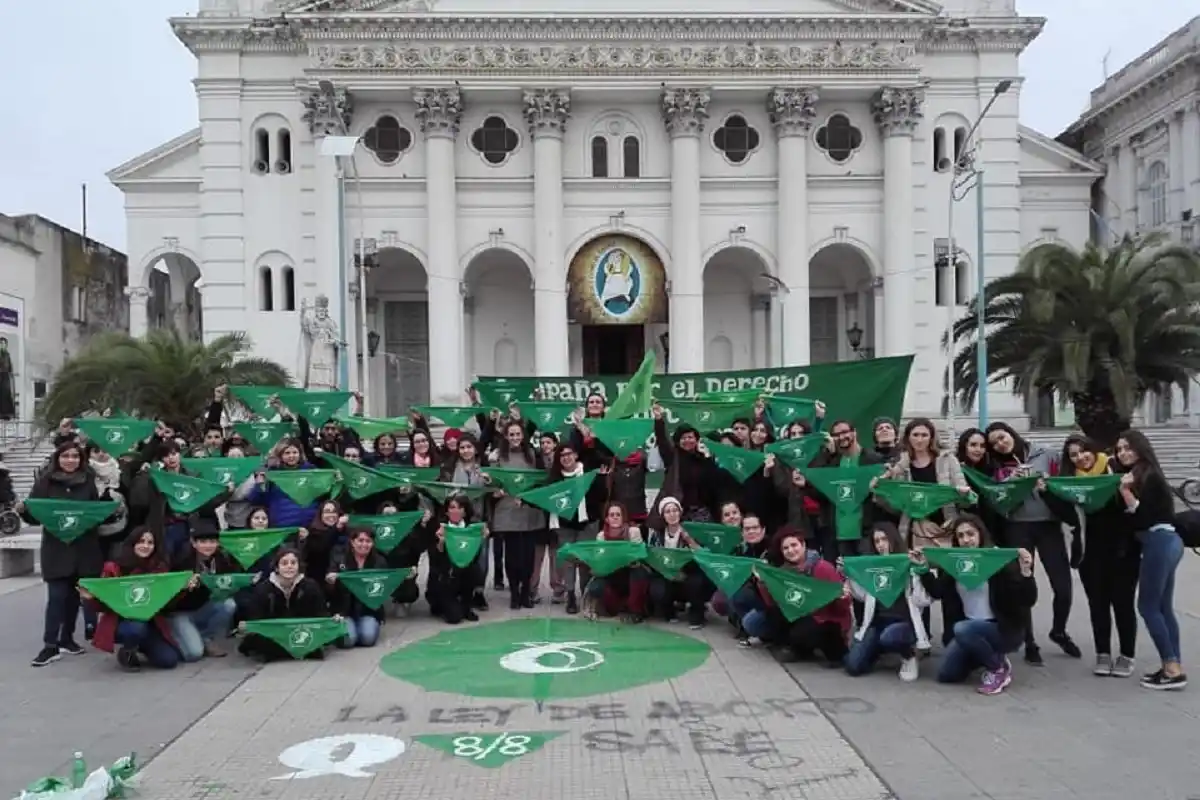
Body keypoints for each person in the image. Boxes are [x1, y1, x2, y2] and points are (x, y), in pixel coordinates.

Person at [984, 421, 1077, 665]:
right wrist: (1011, 482)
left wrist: (1043, 481)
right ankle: (1030, 642)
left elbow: (1064, 481)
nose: (1000, 444)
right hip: (1018, 527)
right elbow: (997, 499)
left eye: (1002, 437)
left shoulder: (1045, 453)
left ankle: (1059, 630)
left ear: (1011, 433)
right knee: (1023, 585)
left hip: (1049, 526)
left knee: (1063, 586)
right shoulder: (998, 467)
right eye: (994, 443)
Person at [915, 514, 1037, 695]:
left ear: (980, 534)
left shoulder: (998, 559)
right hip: (969, 629)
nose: (966, 540)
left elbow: (1028, 600)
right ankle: (984, 655)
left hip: (1001, 629)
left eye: (970, 534)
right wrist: (923, 569)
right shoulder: (955, 562)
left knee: (962, 628)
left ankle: (998, 668)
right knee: (946, 674)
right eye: (961, 536)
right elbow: (937, 592)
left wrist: (1026, 572)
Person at [1050, 435, 1139, 678]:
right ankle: (1102, 653)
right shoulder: (1071, 483)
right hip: (1090, 553)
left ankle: (1127, 655)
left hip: (1124, 551)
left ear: (1094, 449)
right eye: (1073, 455)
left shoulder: (1116, 469)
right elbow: (1067, 516)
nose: (1081, 458)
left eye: (1084, 451)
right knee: (1097, 605)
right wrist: (1047, 492)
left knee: (1122, 604)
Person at [20, 441, 108, 667]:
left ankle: (67, 639)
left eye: (75, 456)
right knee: (57, 597)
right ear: (58, 458)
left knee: (73, 599)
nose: (71, 460)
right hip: (57, 549)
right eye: (66, 456)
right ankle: (50, 645)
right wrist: (24, 511)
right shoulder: (45, 483)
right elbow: (35, 514)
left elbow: (93, 512)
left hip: (84, 549)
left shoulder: (88, 482)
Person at [1115, 429, 1186, 690]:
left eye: (1127, 447)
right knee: (1163, 607)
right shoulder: (1148, 473)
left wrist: (1125, 491)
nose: (1122, 453)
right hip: (1169, 542)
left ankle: (1172, 669)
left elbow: (1144, 517)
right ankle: (1172, 665)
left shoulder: (1146, 475)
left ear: (1140, 448)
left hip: (1159, 541)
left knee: (1147, 606)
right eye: (1119, 449)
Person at [743, 527, 852, 667]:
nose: (790, 551)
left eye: (794, 545)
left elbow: (842, 609)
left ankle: (809, 647)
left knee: (804, 632)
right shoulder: (784, 572)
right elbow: (772, 603)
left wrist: (843, 597)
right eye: (786, 548)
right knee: (768, 617)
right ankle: (794, 646)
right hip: (801, 615)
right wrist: (763, 583)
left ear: (803, 545)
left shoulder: (823, 568)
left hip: (826, 619)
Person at [82, 527, 181, 671]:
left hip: (151, 623)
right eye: (141, 541)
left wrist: (182, 588)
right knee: (136, 628)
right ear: (132, 543)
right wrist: (91, 598)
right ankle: (127, 650)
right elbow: (103, 604)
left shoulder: (160, 568)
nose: (146, 546)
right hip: (122, 622)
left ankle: (141, 645)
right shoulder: (114, 568)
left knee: (169, 660)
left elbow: (168, 601)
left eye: (150, 542)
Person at [843, 521, 931, 681]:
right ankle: (877, 651)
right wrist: (850, 574)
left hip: (903, 624)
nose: (881, 545)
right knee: (853, 666)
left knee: (889, 636)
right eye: (877, 541)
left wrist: (919, 571)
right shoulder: (873, 566)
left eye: (884, 539)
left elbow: (924, 600)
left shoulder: (908, 561)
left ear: (893, 539)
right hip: (877, 624)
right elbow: (862, 596)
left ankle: (909, 656)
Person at [486, 419, 546, 609]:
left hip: (528, 509)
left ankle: (526, 592)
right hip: (507, 509)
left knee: (528, 556)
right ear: (505, 436)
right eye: (511, 434)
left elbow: (540, 479)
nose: (515, 438)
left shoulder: (531, 454)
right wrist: (494, 488)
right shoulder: (498, 457)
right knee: (512, 556)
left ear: (523, 435)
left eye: (518, 434)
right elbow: (493, 481)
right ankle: (514, 592)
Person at [237, 547, 331, 662]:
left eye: (293, 563)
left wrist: (332, 620)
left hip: (301, 630)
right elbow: (256, 617)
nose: (289, 566)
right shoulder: (263, 588)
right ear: (277, 567)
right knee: (259, 641)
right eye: (284, 563)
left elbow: (321, 613)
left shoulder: (310, 586)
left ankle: (287, 652)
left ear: (299, 566)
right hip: (275, 633)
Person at [166, 518, 238, 661]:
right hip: (179, 612)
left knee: (229, 604)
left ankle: (207, 638)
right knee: (193, 654)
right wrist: (184, 587)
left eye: (212, 542)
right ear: (194, 543)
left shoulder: (221, 559)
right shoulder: (182, 560)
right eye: (203, 542)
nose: (208, 546)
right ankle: (170, 638)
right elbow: (168, 593)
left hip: (203, 608)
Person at [645, 497, 710, 628]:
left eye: (675, 510)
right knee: (658, 589)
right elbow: (653, 558)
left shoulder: (690, 530)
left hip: (687, 572)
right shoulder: (657, 535)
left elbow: (704, 555)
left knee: (697, 581)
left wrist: (690, 541)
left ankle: (697, 612)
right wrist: (667, 572)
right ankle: (669, 610)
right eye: (668, 511)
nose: (672, 514)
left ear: (680, 513)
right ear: (663, 515)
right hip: (667, 574)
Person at [581, 501, 648, 622]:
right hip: (611, 573)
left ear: (623, 517)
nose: (615, 517)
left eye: (618, 514)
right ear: (607, 519)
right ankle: (612, 606)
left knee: (639, 572)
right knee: (596, 585)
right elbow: (599, 558)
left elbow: (638, 555)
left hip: (630, 572)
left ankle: (636, 611)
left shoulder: (633, 532)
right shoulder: (601, 536)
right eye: (612, 515)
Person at [426, 493, 487, 625]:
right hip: (445, 577)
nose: (455, 511)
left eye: (460, 508)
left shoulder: (471, 528)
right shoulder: (439, 528)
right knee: (454, 618)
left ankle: (466, 604)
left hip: (464, 574)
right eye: (452, 507)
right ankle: (439, 603)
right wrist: (441, 543)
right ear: (447, 511)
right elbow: (435, 560)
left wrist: (480, 540)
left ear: (465, 511)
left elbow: (474, 557)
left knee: (475, 570)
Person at [327, 529, 388, 648]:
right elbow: (329, 588)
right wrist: (331, 581)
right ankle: (347, 629)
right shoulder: (340, 559)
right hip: (343, 611)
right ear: (352, 542)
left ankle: (361, 627)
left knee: (367, 638)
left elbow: (385, 587)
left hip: (368, 611)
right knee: (348, 641)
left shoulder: (380, 562)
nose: (364, 544)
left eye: (368, 541)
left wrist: (406, 575)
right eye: (360, 540)